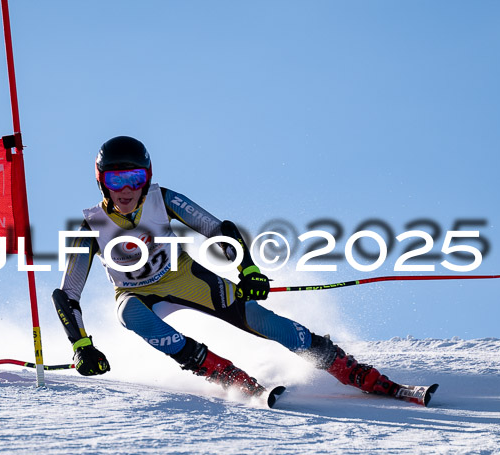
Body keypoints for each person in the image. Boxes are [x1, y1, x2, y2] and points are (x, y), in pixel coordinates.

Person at [53, 136, 400, 400]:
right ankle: (227, 375)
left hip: (187, 277)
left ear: (147, 178)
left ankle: (351, 371)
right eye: (116, 180)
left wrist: (247, 270)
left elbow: (219, 230)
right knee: (130, 315)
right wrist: (81, 345)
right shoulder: (91, 227)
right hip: (136, 294)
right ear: (101, 181)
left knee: (265, 321)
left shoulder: (164, 199)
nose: (126, 189)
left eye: (135, 178)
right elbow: (67, 295)